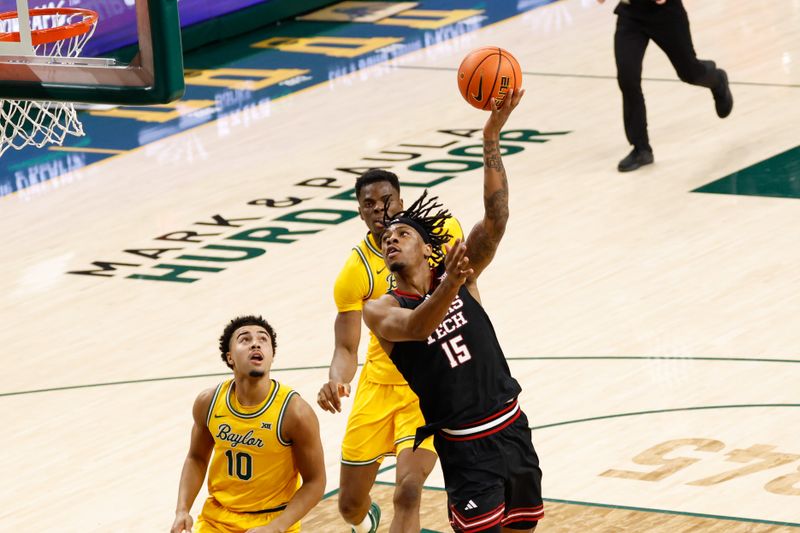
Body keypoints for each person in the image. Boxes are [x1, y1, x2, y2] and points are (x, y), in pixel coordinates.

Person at [363, 88, 543, 533]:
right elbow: (421, 325)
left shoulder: (461, 272)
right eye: (387, 238)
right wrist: (453, 282)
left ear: (428, 246)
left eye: (403, 233)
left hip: (511, 425)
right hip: (466, 445)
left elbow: (497, 218)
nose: (391, 238)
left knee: (523, 529)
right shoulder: (382, 309)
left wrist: (491, 137)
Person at [317, 168, 463, 532]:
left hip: (424, 390)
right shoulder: (356, 271)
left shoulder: (438, 234)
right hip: (377, 389)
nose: (380, 210)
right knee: (349, 505)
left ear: (401, 199)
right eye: (369, 204)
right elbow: (347, 348)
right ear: (359, 212)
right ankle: (365, 522)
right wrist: (335, 380)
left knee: (408, 491)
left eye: (387, 201)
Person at [171, 315, 325, 533]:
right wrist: (182, 509)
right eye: (245, 339)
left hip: (272, 520)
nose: (255, 343)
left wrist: (276, 527)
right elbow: (196, 458)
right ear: (230, 357)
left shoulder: (295, 413)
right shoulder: (209, 402)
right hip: (217, 517)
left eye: (263, 339)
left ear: (271, 356)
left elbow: (315, 482)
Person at [597, 0, 733, 172]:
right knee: (627, 79)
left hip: (665, 14)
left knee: (690, 73)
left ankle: (717, 80)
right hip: (630, 15)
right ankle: (641, 149)